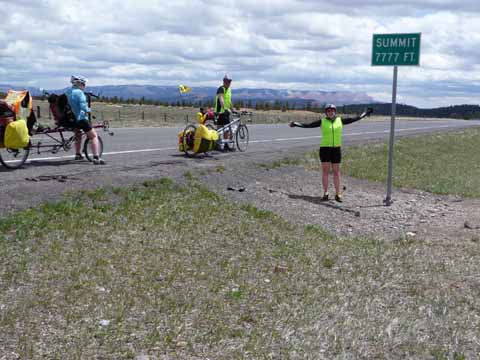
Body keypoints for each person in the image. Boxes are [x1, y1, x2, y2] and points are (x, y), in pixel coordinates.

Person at [289, 104, 373, 202]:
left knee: (336, 172)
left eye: (332, 111)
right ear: (326, 112)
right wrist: (296, 124)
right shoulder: (322, 122)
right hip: (325, 149)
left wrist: (365, 113)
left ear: (335, 112)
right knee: (325, 172)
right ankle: (325, 193)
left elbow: (355, 118)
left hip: (336, 149)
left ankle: (338, 194)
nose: (330, 112)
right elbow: (308, 125)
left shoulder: (340, 121)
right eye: (328, 111)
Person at [65, 75, 105, 165]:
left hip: (71, 119)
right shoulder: (79, 93)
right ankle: (96, 157)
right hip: (80, 118)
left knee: (78, 135)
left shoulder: (68, 91)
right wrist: (89, 110)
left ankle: (78, 154)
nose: (84, 85)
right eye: (83, 83)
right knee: (94, 136)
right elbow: (83, 106)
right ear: (78, 84)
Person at [215, 74, 234, 149]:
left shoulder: (229, 90)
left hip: (226, 112)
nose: (228, 83)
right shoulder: (221, 89)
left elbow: (229, 101)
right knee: (219, 129)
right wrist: (225, 108)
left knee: (226, 129)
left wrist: (233, 109)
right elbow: (221, 99)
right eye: (226, 81)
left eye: (229, 81)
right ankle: (218, 144)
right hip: (219, 112)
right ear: (223, 81)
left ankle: (225, 144)